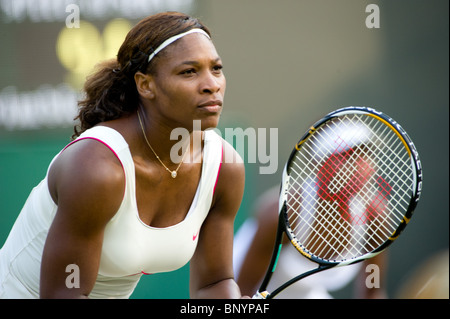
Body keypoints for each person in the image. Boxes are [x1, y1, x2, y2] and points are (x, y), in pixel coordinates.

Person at [0, 12, 246, 299]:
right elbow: (63, 293)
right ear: (145, 85)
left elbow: (213, 285)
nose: (211, 84)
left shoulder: (224, 170)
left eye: (216, 69)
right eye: (189, 72)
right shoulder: (96, 169)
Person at [234, 186, 388, 299]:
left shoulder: (375, 217)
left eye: (365, 154)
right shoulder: (281, 213)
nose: (357, 165)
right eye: (345, 155)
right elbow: (243, 290)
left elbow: (372, 291)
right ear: (321, 162)